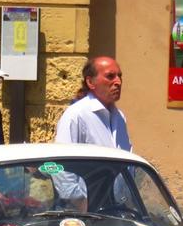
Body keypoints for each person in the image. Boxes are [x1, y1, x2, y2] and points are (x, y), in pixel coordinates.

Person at [53, 56, 132, 209]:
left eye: (119, 76)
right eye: (110, 76)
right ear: (90, 82)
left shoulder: (119, 117)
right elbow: (60, 167)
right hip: (85, 212)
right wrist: (80, 202)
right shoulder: (76, 115)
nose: (118, 82)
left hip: (116, 209)